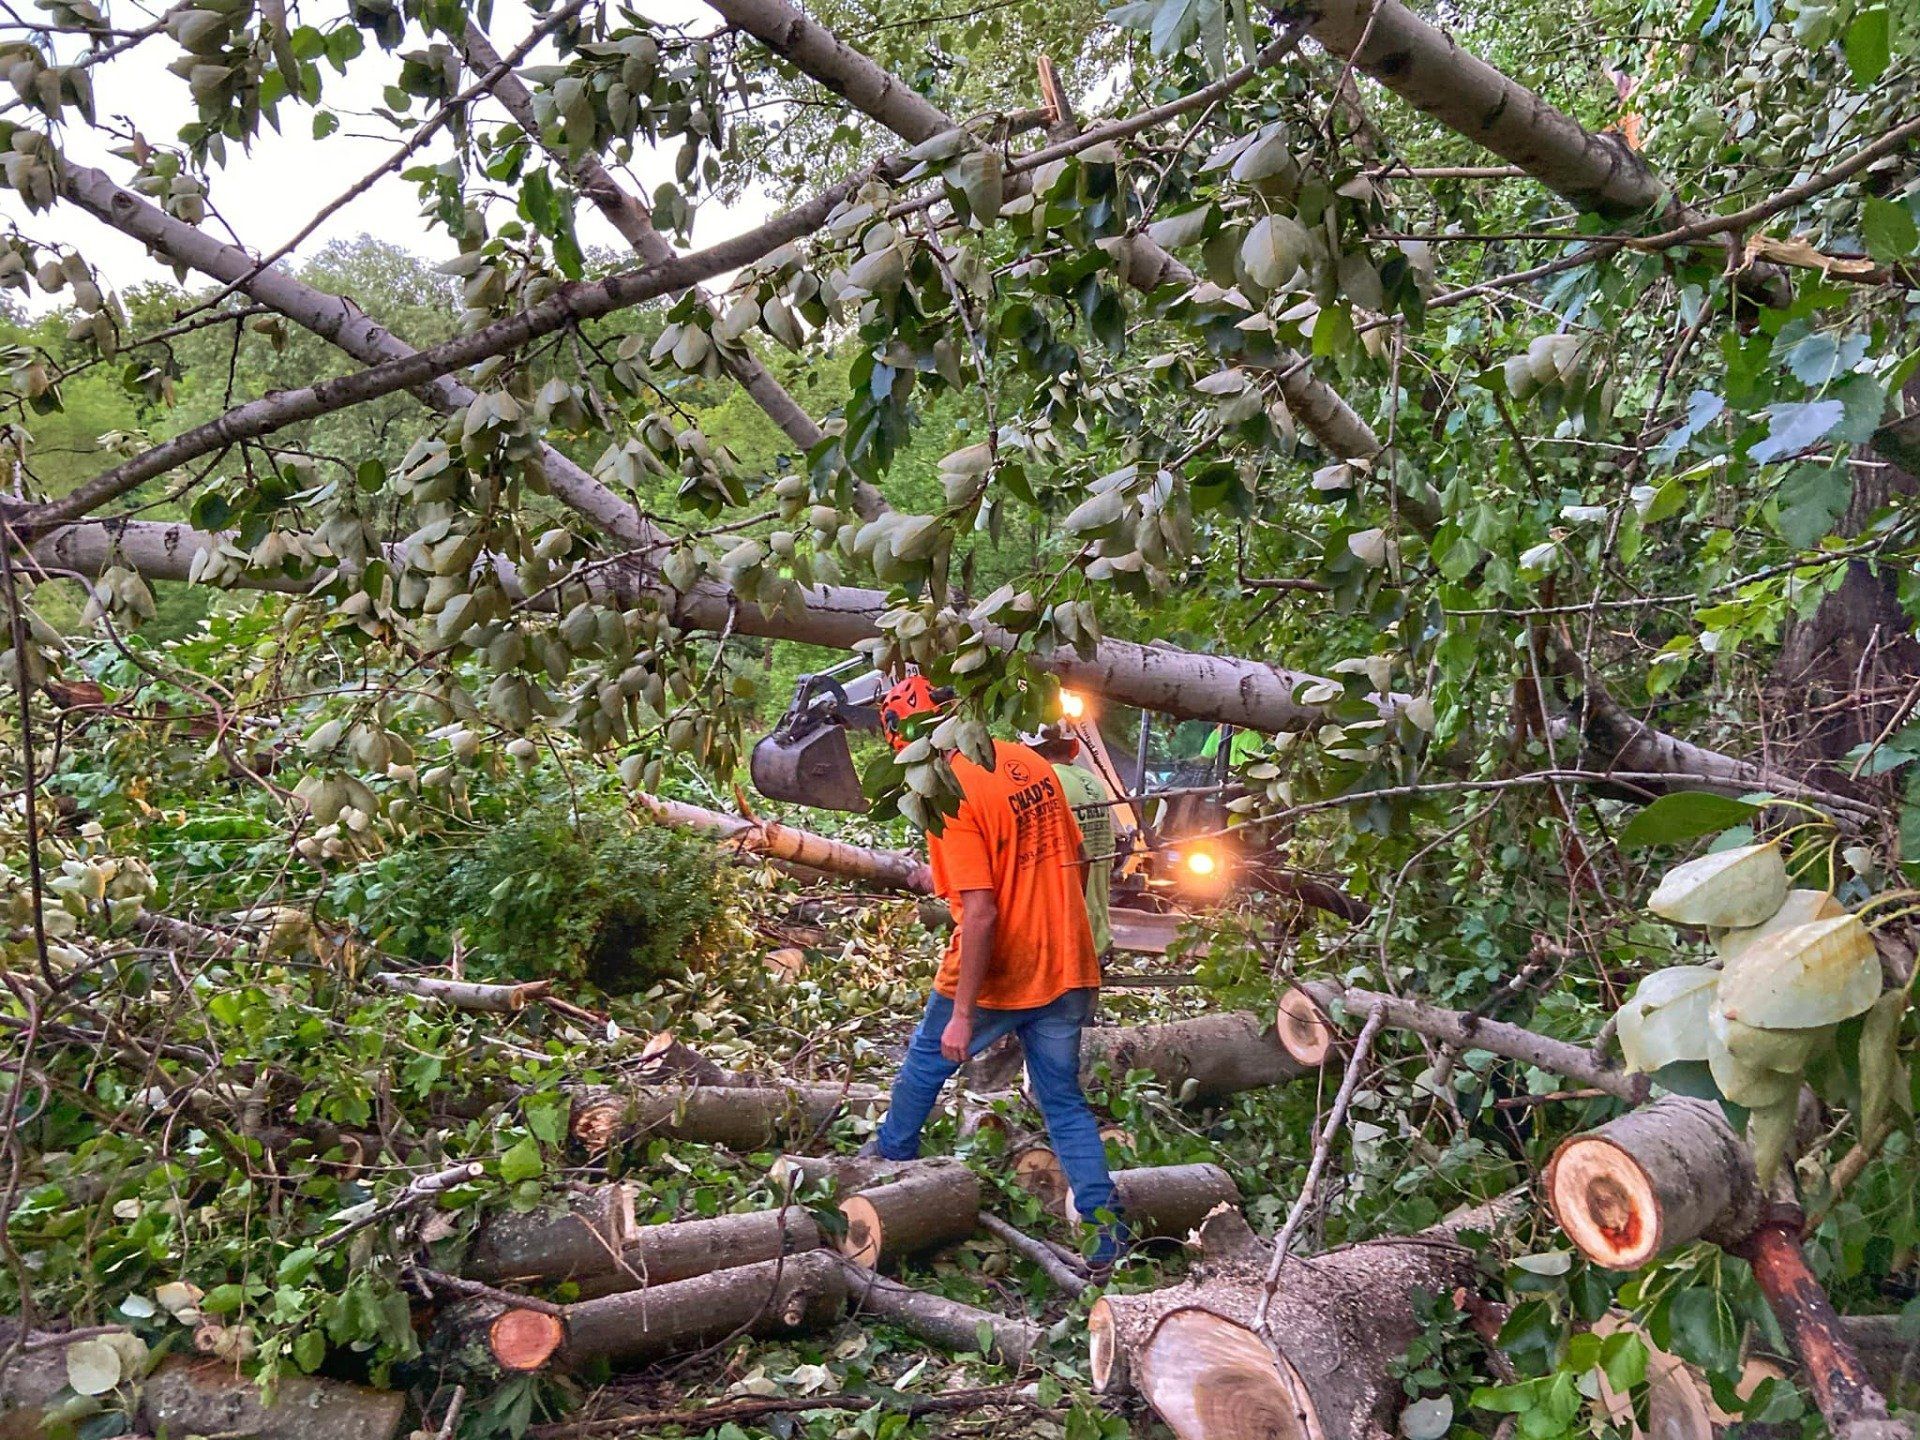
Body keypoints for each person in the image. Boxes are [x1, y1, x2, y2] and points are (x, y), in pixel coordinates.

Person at [860, 675, 1129, 1274]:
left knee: (925, 1063)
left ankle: (887, 1165)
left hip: (1000, 972)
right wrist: (1057, 923)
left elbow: (980, 913)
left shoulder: (946, 791)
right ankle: (1109, 1236)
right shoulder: (1024, 762)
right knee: (1062, 1100)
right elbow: (1075, 859)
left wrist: (963, 1014)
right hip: (1064, 960)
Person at [1028, 726, 1114, 962]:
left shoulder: (1046, 782)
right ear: (1073, 746)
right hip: (1097, 933)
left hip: (1065, 936)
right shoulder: (1094, 783)